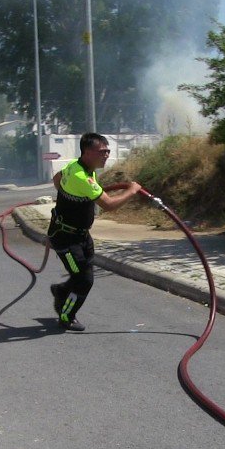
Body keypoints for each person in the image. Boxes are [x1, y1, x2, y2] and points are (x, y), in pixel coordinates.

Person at [48, 133, 141, 331]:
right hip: (66, 239)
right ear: (87, 152)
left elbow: (57, 179)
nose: (107, 154)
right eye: (102, 151)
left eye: (108, 150)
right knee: (84, 280)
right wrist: (132, 191)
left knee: (81, 273)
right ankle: (66, 315)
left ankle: (60, 291)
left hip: (81, 235)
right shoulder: (81, 176)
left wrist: (66, 193)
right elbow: (108, 205)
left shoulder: (79, 167)